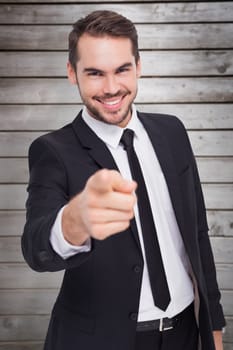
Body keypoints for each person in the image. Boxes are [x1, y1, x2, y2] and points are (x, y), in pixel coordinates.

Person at [22, 10, 225, 350]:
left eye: (122, 70)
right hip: (104, 340)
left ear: (139, 66)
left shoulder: (172, 131)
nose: (112, 87)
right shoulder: (52, 151)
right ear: (72, 73)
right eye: (95, 73)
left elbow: (199, 236)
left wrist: (214, 329)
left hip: (185, 333)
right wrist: (74, 221)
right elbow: (36, 246)